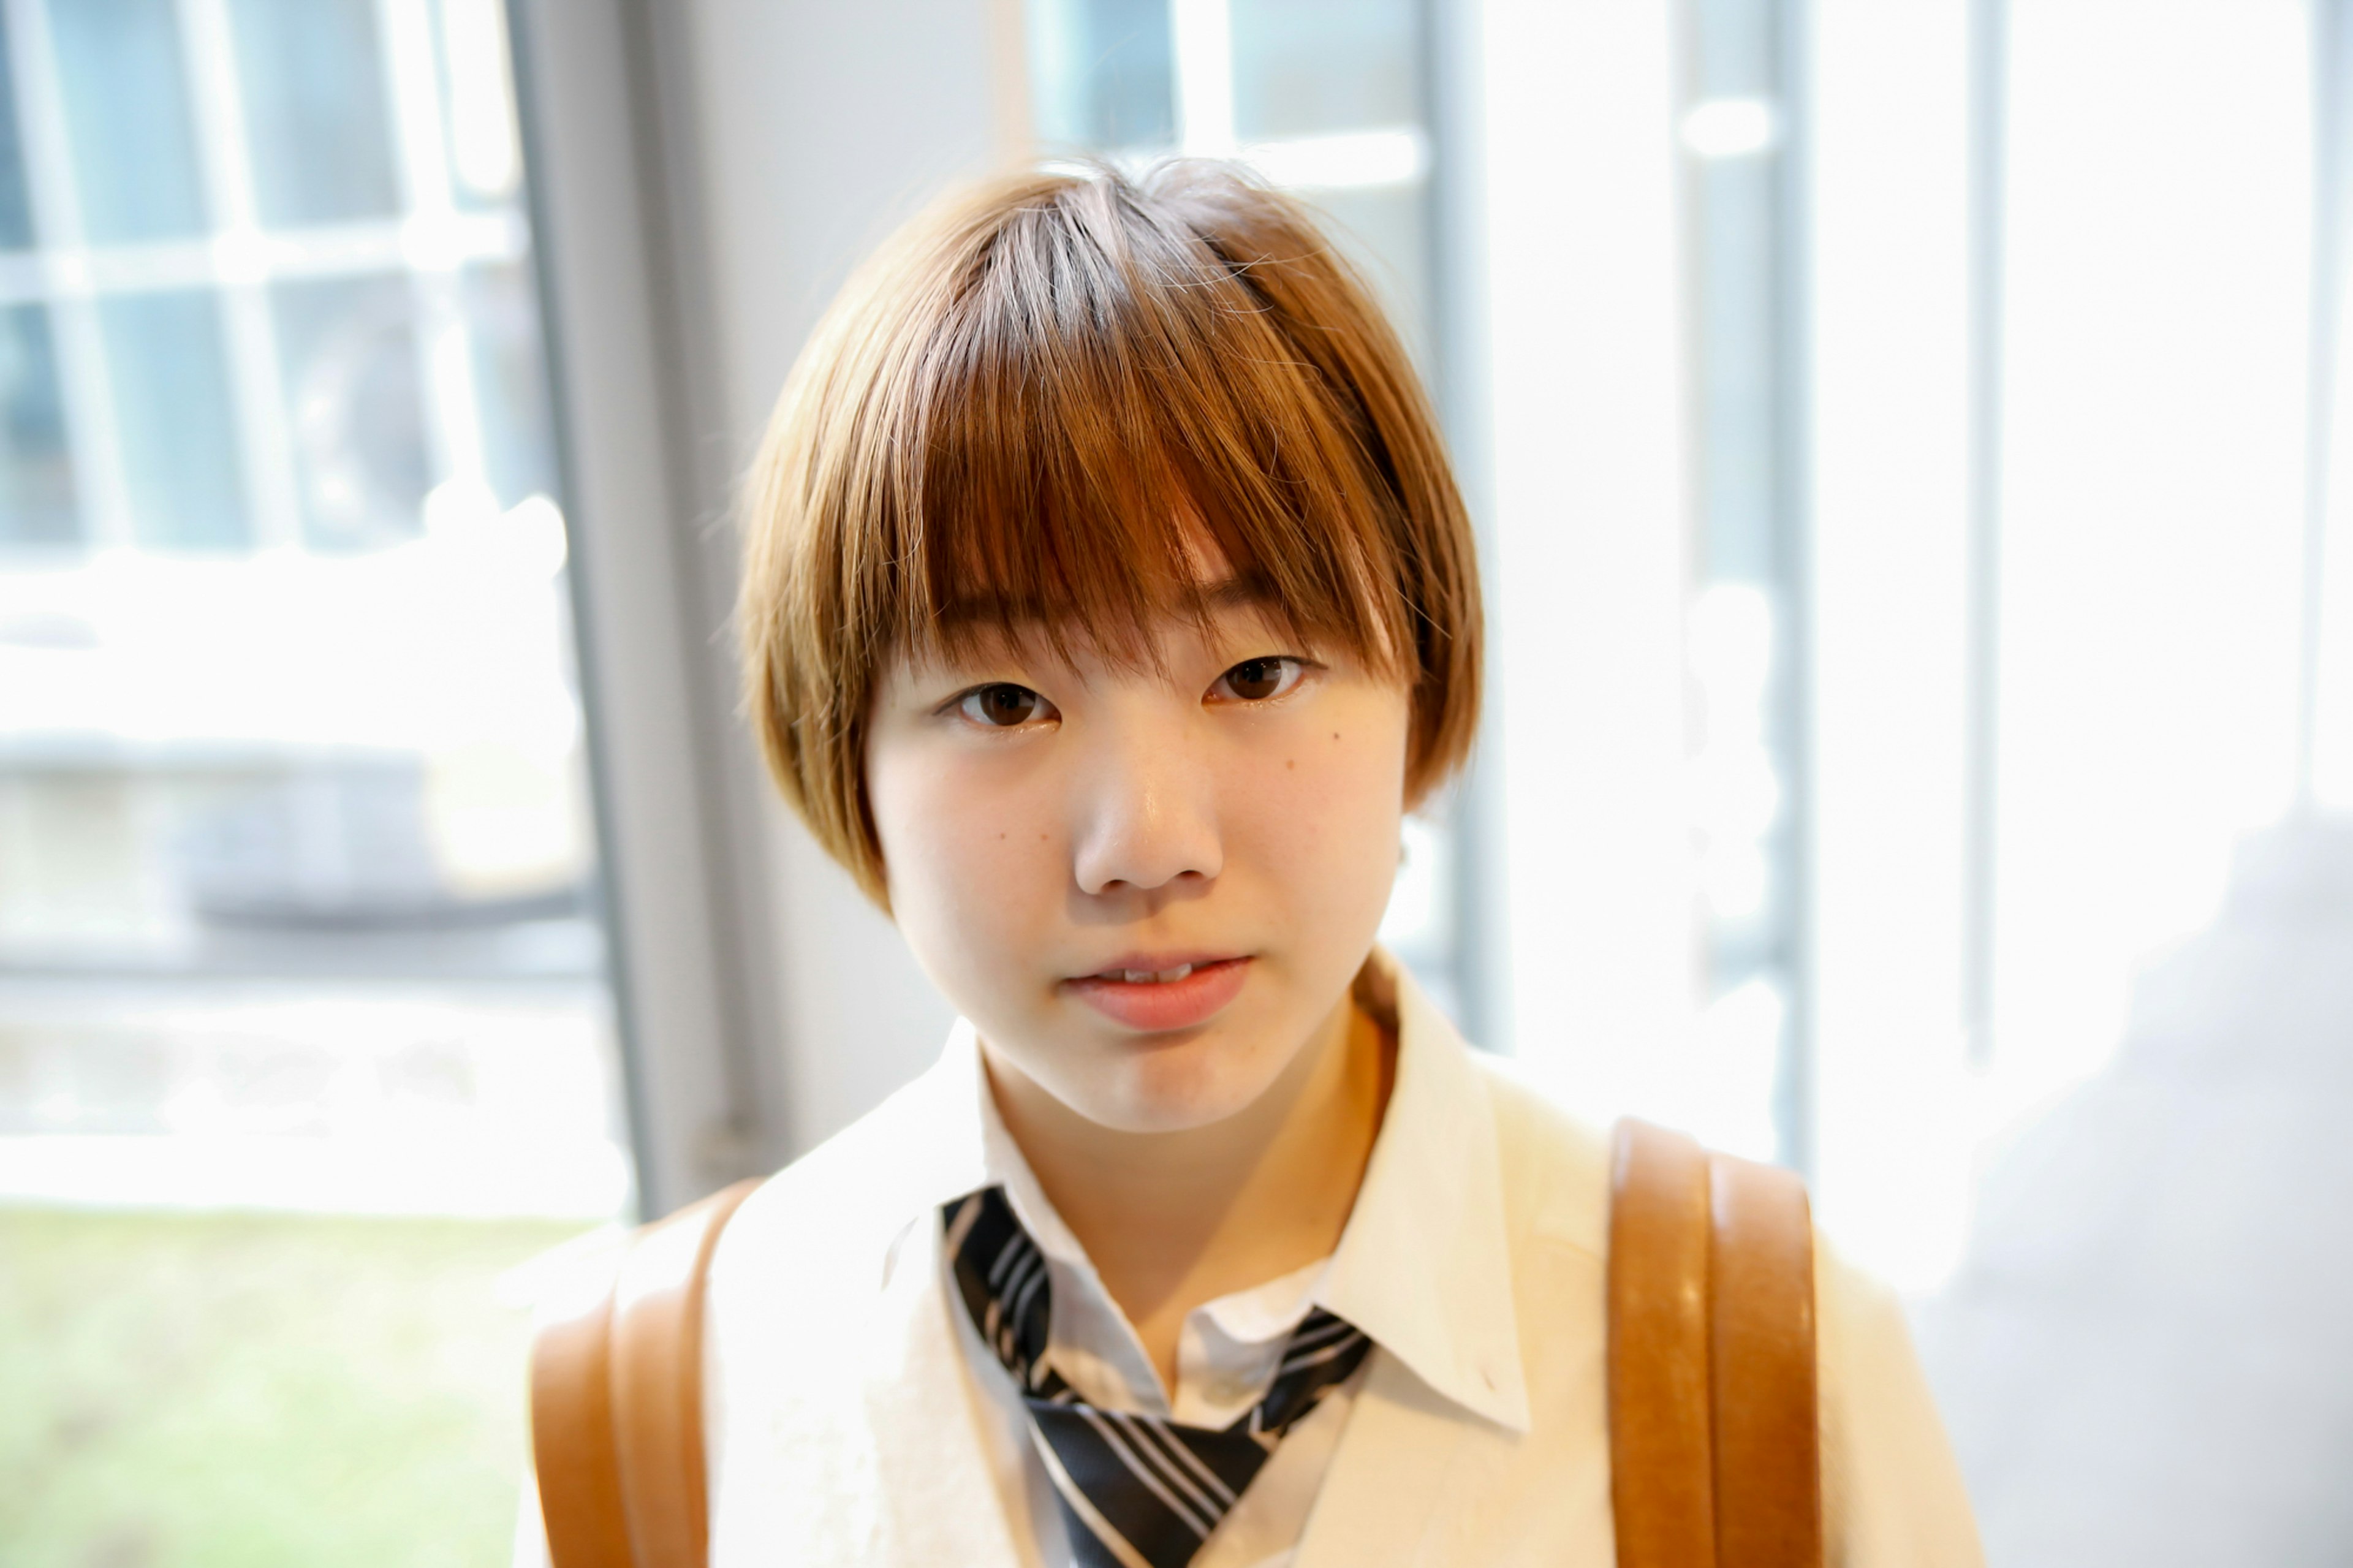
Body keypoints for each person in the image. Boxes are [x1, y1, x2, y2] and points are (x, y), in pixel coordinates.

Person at [524, 161, 1983, 1566]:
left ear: (1418, 679)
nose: (1147, 844)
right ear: (845, 754)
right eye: (1004, 701)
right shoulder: (654, 1390)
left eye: (1259, 670)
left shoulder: (1751, 1350)